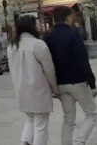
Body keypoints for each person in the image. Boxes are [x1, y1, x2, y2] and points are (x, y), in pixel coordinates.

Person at [45, 6, 97, 145]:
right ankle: (80, 141)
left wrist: (52, 86)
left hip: (61, 84)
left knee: (68, 119)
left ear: (54, 19)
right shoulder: (73, 34)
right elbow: (83, 60)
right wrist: (92, 84)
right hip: (78, 81)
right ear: (68, 17)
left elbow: (48, 63)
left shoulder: (48, 37)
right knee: (91, 114)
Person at [9, 15, 59, 145]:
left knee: (30, 120)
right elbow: (49, 70)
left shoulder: (12, 46)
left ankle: (25, 142)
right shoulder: (38, 44)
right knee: (40, 125)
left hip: (21, 90)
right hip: (38, 90)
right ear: (32, 27)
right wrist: (55, 88)